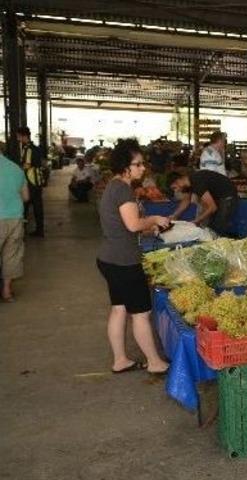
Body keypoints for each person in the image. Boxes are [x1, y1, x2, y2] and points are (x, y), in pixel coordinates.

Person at [96, 138, 171, 375]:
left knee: (119, 309)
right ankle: (155, 362)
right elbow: (132, 224)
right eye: (137, 164)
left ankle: (120, 360)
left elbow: (123, 226)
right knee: (141, 314)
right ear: (125, 167)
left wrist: (149, 228)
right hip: (124, 261)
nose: (142, 168)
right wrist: (154, 219)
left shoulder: (113, 186)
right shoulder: (123, 189)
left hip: (109, 258)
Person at [168, 167, 238, 237]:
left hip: (228, 196)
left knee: (217, 228)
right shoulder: (188, 183)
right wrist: (175, 215)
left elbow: (212, 207)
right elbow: (186, 201)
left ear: (178, 181)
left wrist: (197, 221)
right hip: (217, 198)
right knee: (210, 228)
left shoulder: (197, 182)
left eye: (175, 188)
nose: (176, 191)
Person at [0, 153, 28, 302]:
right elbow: (26, 197)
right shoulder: (16, 169)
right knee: (11, 254)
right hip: (14, 217)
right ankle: (6, 291)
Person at [17, 127, 47, 237]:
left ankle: (24, 230)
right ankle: (39, 230)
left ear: (24, 136)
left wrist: (17, 169)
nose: (18, 138)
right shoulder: (35, 148)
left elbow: (27, 165)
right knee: (37, 205)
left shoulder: (28, 149)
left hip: (31, 181)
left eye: (19, 136)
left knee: (26, 205)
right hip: (37, 180)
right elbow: (42, 163)